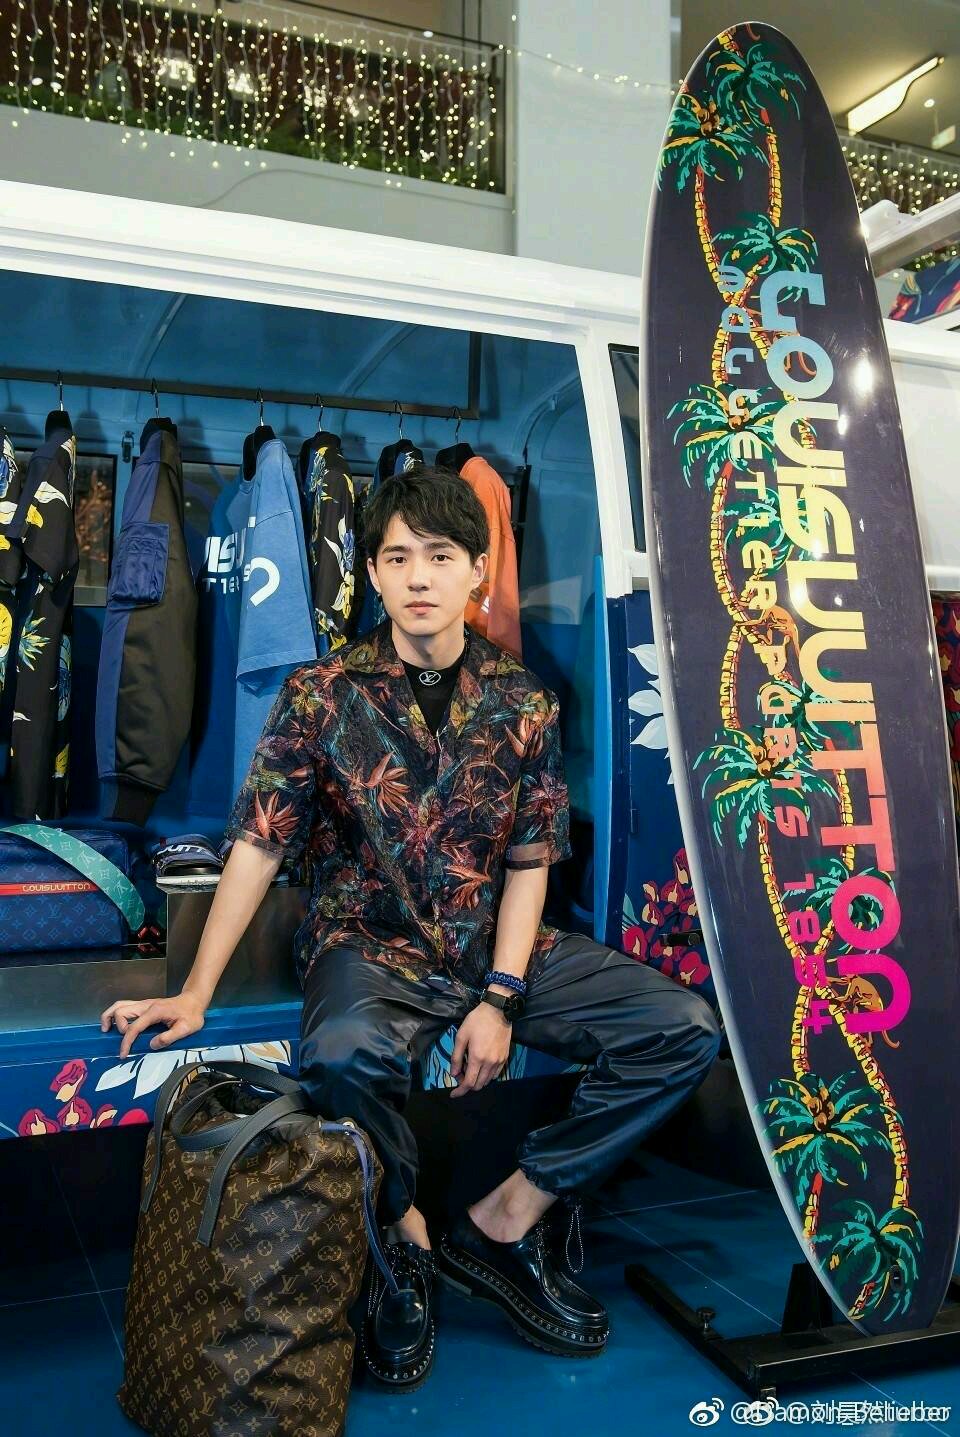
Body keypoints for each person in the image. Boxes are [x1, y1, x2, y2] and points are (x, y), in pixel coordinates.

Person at [101, 467, 721, 1393]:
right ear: (373, 574)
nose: (419, 576)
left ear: (478, 570)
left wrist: (502, 996)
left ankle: (510, 1215)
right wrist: (194, 991)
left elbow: (530, 861)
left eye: (439, 555)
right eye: (397, 557)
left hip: (490, 945)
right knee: (342, 1056)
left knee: (681, 1029)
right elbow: (260, 844)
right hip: (368, 944)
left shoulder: (525, 701)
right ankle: (405, 1234)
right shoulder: (322, 692)